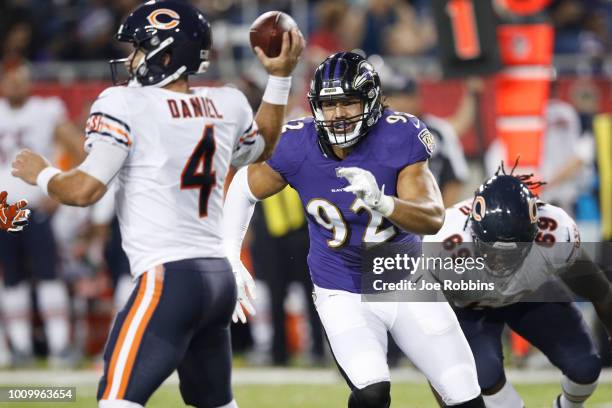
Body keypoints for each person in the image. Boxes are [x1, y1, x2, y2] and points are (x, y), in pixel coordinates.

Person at [12, 1, 304, 407]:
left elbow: (83, 191)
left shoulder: (123, 104)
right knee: (216, 403)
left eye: (137, 48)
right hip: (218, 276)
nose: (129, 60)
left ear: (166, 55)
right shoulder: (228, 103)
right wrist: (280, 79)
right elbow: (264, 147)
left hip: (169, 277)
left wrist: (41, 173)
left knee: (116, 400)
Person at [223, 51, 485, 407]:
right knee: (372, 394)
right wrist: (229, 254)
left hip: (406, 280)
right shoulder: (297, 143)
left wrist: (383, 203)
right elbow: (243, 186)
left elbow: (431, 216)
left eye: (349, 102)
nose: (338, 114)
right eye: (329, 104)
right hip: (341, 290)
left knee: (465, 397)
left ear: (372, 102)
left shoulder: (400, 135)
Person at [423, 164, 612, 408]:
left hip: (529, 295)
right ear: (473, 231)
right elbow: (431, 335)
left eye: (514, 251)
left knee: (585, 367)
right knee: (484, 374)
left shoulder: (555, 235)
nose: (500, 262)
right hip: (470, 308)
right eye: (492, 250)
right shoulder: (442, 245)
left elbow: (599, 290)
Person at [0, 62, 83, 367]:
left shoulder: (46, 110)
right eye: (9, 80)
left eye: (19, 79)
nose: (14, 85)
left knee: (49, 275)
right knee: (12, 279)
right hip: (3, 208)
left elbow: (78, 151)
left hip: (37, 204)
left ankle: (59, 346)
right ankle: (20, 347)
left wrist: (60, 189)